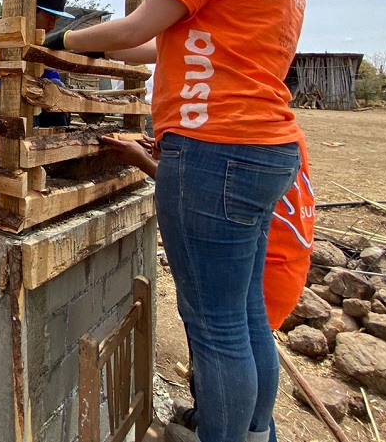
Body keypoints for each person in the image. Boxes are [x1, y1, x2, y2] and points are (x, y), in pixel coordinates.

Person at [46, 0, 305, 442]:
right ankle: (254, 430)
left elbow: (138, 27)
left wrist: (61, 40)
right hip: (267, 149)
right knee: (244, 315)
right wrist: (102, 49)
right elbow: (159, 46)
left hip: (214, 149)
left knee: (214, 325)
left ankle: (226, 433)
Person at [102, 134, 315, 440]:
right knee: (242, 333)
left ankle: (223, 429)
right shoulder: (277, 132)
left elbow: (205, 194)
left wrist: (146, 161)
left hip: (250, 262)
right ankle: (249, 430)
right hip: (279, 264)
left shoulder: (231, 145)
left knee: (219, 336)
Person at [0, 0, 74, 127]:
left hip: (28, 103)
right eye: (49, 18)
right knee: (27, 101)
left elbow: (53, 80)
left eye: (56, 20)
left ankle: (58, 137)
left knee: (56, 90)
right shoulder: (4, 38)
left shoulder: (41, 46)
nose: (52, 26)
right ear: (31, 13)